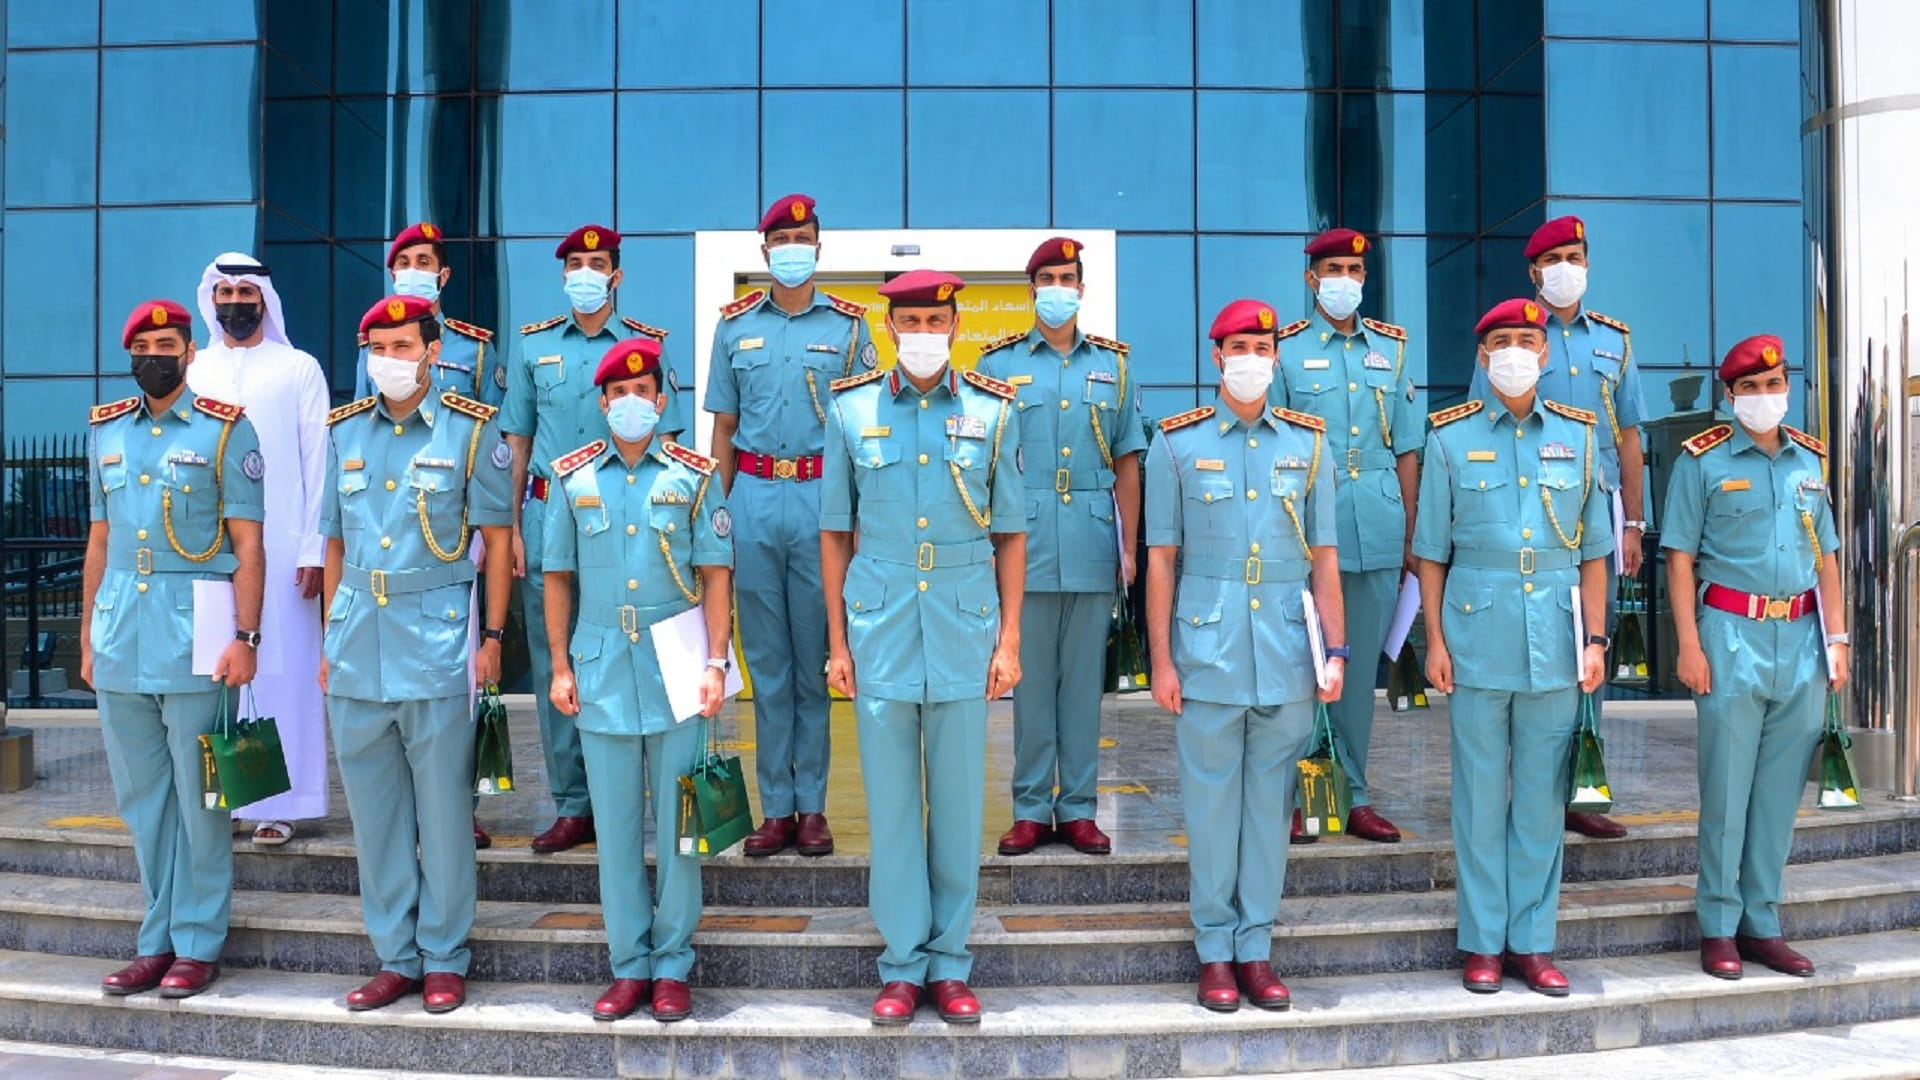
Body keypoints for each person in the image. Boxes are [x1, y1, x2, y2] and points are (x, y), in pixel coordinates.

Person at [820, 269, 1025, 1025]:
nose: (923, 334)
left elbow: (1011, 535)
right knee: (895, 806)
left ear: (954, 321)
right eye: (909, 321)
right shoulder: (850, 411)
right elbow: (835, 533)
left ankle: (951, 963)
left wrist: (1010, 639)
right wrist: (838, 642)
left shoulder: (994, 412)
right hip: (880, 628)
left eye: (935, 320)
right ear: (890, 327)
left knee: (961, 801)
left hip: (965, 627)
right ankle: (902, 964)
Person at [1144, 298, 1345, 1013]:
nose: (1252, 358)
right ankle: (1214, 951)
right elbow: (1161, 561)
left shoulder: (1310, 445)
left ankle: (1256, 948)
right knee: (1209, 807)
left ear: (1276, 357)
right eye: (1240, 346)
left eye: (1263, 346)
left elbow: (1324, 559)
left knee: (1268, 808)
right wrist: (1161, 660)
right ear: (1216, 357)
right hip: (1208, 650)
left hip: (1288, 650)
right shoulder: (1175, 446)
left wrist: (1338, 651)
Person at [318, 295, 513, 1014]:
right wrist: (326, 642)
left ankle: (444, 955)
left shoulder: (470, 433)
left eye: (404, 345)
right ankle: (395, 957)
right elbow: (333, 544)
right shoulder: (344, 433)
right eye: (380, 347)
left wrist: (492, 639)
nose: (390, 359)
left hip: (435, 643)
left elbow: (496, 544)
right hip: (356, 643)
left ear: (433, 351)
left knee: (442, 812)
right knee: (376, 818)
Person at [1414, 298, 1611, 996]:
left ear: (1547, 353)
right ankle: (1482, 942)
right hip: (1474, 638)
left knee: (1538, 800)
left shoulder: (1581, 439)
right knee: (1475, 798)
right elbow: (1431, 553)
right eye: (1501, 341)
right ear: (1482, 356)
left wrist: (1594, 638)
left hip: (1555, 641)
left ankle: (1531, 941)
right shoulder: (1447, 438)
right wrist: (1433, 638)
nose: (1516, 351)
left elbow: (1594, 555)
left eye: (1528, 339)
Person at [544, 338, 734, 1022]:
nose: (630, 403)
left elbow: (716, 575)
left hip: (679, 666)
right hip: (600, 666)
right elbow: (557, 577)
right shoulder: (575, 477)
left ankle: (674, 964)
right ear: (602, 403)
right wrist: (560, 665)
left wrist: (716, 661)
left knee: (682, 824)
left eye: (642, 392)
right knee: (618, 830)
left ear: (661, 400)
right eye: (617, 394)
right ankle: (629, 964)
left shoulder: (693, 474)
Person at [83, 299, 266, 999]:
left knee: (202, 798)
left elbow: (248, 545)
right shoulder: (105, 431)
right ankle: (155, 938)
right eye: (144, 344)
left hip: (199, 632)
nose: (155, 354)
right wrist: (87, 635)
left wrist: (246, 638)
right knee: (143, 801)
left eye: (168, 342)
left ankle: (198, 941)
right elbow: (99, 541)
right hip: (122, 632)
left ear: (191, 353)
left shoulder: (227, 431)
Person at [1662, 334, 1847, 980]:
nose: (1765, 398)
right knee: (1728, 788)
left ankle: (1762, 921)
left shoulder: (1809, 462)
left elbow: (1826, 559)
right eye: (1751, 389)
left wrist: (1838, 642)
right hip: (1730, 636)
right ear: (1730, 396)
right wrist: (1688, 642)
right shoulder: (1702, 461)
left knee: (1776, 796)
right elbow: (1679, 557)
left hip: (1800, 641)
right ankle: (1717, 924)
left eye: (1774, 386)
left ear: (1786, 389)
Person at [499, 224, 677, 853]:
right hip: (548, 515)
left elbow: (672, 447)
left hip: (626, 523)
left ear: (616, 275)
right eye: (575, 263)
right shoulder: (532, 347)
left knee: (635, 655)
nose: (584, 273)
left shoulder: (645, 349)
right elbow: (516, 441)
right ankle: (574, 803)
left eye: (596, 263)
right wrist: (512, 527)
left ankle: (631, 797)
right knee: (557, 663)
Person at [704, 193, 872, 857]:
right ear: (765, 250)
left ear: (819, 247)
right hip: (750, 498)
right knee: (768, 666)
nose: (792, 248)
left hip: (821, 505)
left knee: (818, 663)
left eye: (803, 236)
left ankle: (813, 808)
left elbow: (864, 435)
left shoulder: (852, 329)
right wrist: (714, 525)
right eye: (782, 239)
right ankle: (775, 807)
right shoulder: (733, 328)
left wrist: (860, 522)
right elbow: (721, 428)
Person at [1467, 216, 1646, 841]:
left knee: (1586, 650)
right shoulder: (1511, 340)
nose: (1566, 267)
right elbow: (1476, 430)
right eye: (1555, 258)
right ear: (1535, 273)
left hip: (1593, 514)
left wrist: (1634, 521)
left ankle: (1579, 789)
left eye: (1576, 255)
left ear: (1587, 264)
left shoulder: (1614, 343)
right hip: (1523, 521)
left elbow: (1629, 437)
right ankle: (1523, 789)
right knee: (1523, 652)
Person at [975, 236, 1144, 857]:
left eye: (1066, 277)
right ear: (1031, 290)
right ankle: (1028, 808)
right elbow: (985, 464)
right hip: (1026, 542)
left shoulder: (1115, 367)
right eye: (1046, 277)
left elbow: (1128, 461)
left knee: (1081, 688)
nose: (1056, 288)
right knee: (1031, 681)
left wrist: (1126, 546)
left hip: (1093, 539)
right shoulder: (998, 366)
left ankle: (1076, 808)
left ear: (1081, 286)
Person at [1272, 227, 1420, 844]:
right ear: (1312, 280)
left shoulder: (1391, 351)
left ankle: (1353, 794)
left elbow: (1408, 448)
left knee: (1357, 675)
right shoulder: (1283, 351)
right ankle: (1308, 796)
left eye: (1354, 271)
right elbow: (1276, 445)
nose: (1344, 281)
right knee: (1310, 667)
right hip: (1311, 530)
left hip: (1378, 526)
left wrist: (1413, 535)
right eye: (1331, 270)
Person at [187, 254, 329, 846]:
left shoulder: (297, 367)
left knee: (282, 675)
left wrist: (313, 547)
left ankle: (279, 804)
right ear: (211, 298)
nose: (237, 300)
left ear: (264, 297)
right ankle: (226, 798)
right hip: (205, 550)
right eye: (226, 290)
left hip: (284, 547)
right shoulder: (193, 369)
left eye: (248, 290)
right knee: (218, 671)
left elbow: (318, 459)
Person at [352, 223, 502, 406]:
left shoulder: (475, 349)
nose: (412, 272)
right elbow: (361, 420)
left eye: (423, 263)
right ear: (393, 276)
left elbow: (494, 426)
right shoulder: (373, 347)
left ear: (444, 276)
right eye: (404, 263)